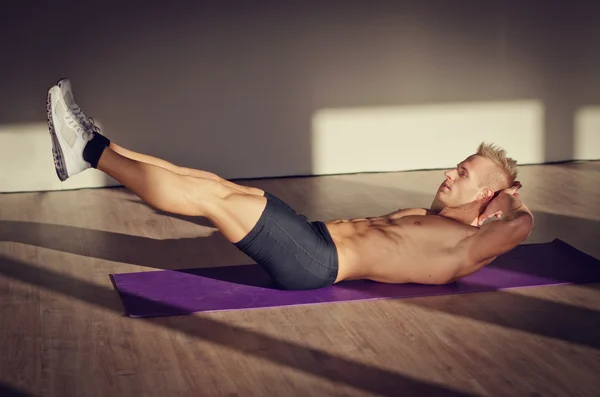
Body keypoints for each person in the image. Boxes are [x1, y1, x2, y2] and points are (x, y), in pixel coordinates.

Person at [46, 79, 534, 290]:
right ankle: (96, 144)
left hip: (315, 261)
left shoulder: (470, 245)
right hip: (311, 237)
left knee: (208, 197)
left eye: (463, 174)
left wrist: (511, 196)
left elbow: (521, 226)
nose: (449, 174)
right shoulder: (432, 220)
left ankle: (87, 151)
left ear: (487, 200)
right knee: (209, 182)